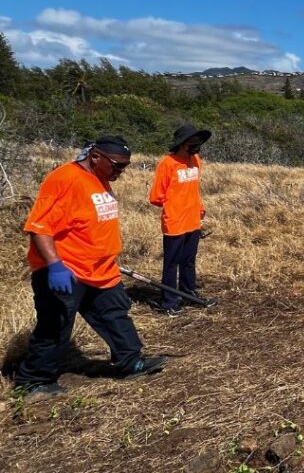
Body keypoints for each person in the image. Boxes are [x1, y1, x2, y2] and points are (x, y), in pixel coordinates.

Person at [14, 136, 167, 396]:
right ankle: (34, 380)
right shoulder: (65, 179)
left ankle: (131, 363)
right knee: (56, 324)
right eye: (117, 166)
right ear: (95, 156)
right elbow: (39, 228)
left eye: (125, 167)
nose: (121, 172)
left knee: (115, 314)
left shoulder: (101, 178)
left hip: (100, 269)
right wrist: (55, 266)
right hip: (66, 270)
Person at [149, 124, 213, 314]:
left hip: (193, 219)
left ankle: (189, 294)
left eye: (198, 142)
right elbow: (156, 197)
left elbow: (194, 188)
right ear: (182, 144)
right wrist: (176, 205)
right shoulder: (167, 163)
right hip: (175, 221)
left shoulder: (196, 160)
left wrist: (198, 207)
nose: (197, 145)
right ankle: (168, 301)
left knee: (189, 260)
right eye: (193, 142)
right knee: (172, 263)